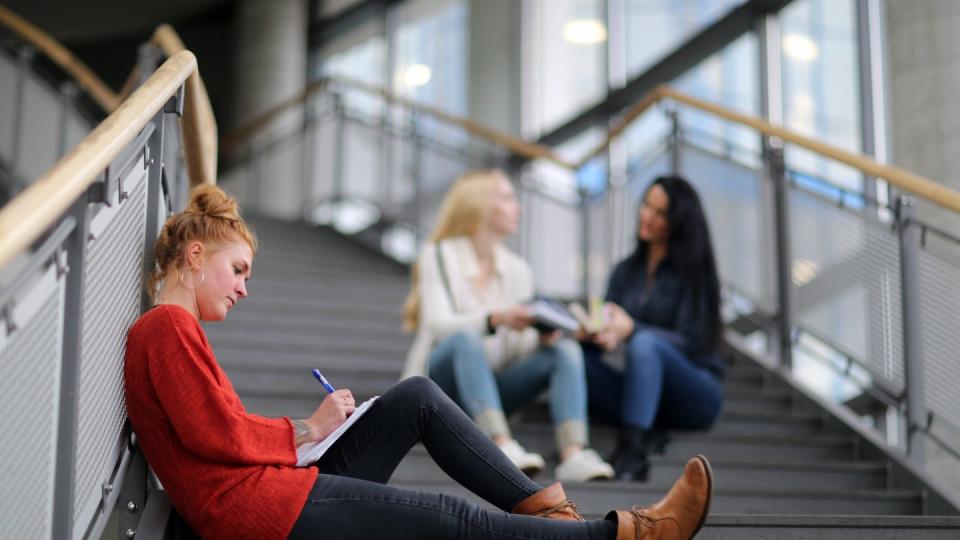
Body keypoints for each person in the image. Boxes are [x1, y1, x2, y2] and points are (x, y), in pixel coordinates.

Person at [124, 184, 714, 540]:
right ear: (195, 256)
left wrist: (307, 436)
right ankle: (626, 534)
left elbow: (213, 433)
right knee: (447, 518)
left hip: (272, 498)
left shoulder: (175, 330)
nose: (244, 289)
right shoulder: (167, 327)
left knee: (416, 397)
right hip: (258, 517)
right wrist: (307, 429)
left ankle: (554, 519)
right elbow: (216, 434)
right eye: (238, 271)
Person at [401, 170, 613, 482]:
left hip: (491, 388)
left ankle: (574, 454)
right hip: (439, 387)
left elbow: (515, 350)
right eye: (508, 198)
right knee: (466, 339)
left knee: (564, 349)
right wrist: (495, 318)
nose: (518, 208)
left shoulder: (518, 269)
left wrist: (542, 336)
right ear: (481, 205)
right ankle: (499, 443)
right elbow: (436, 327)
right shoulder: (440, 255)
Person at [580, 175, 725, 482]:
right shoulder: (625, 271)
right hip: (641, 388)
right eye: (646, 205)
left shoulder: (694, 274)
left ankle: (633, 451)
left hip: (695, 390)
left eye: (660, 213)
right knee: (573, 355)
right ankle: (644, 424)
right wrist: (596, 335)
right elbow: (612, 328)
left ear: (678, 222)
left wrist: (632, 329)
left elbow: (694, 343)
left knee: (645, 344)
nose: (647, 216)